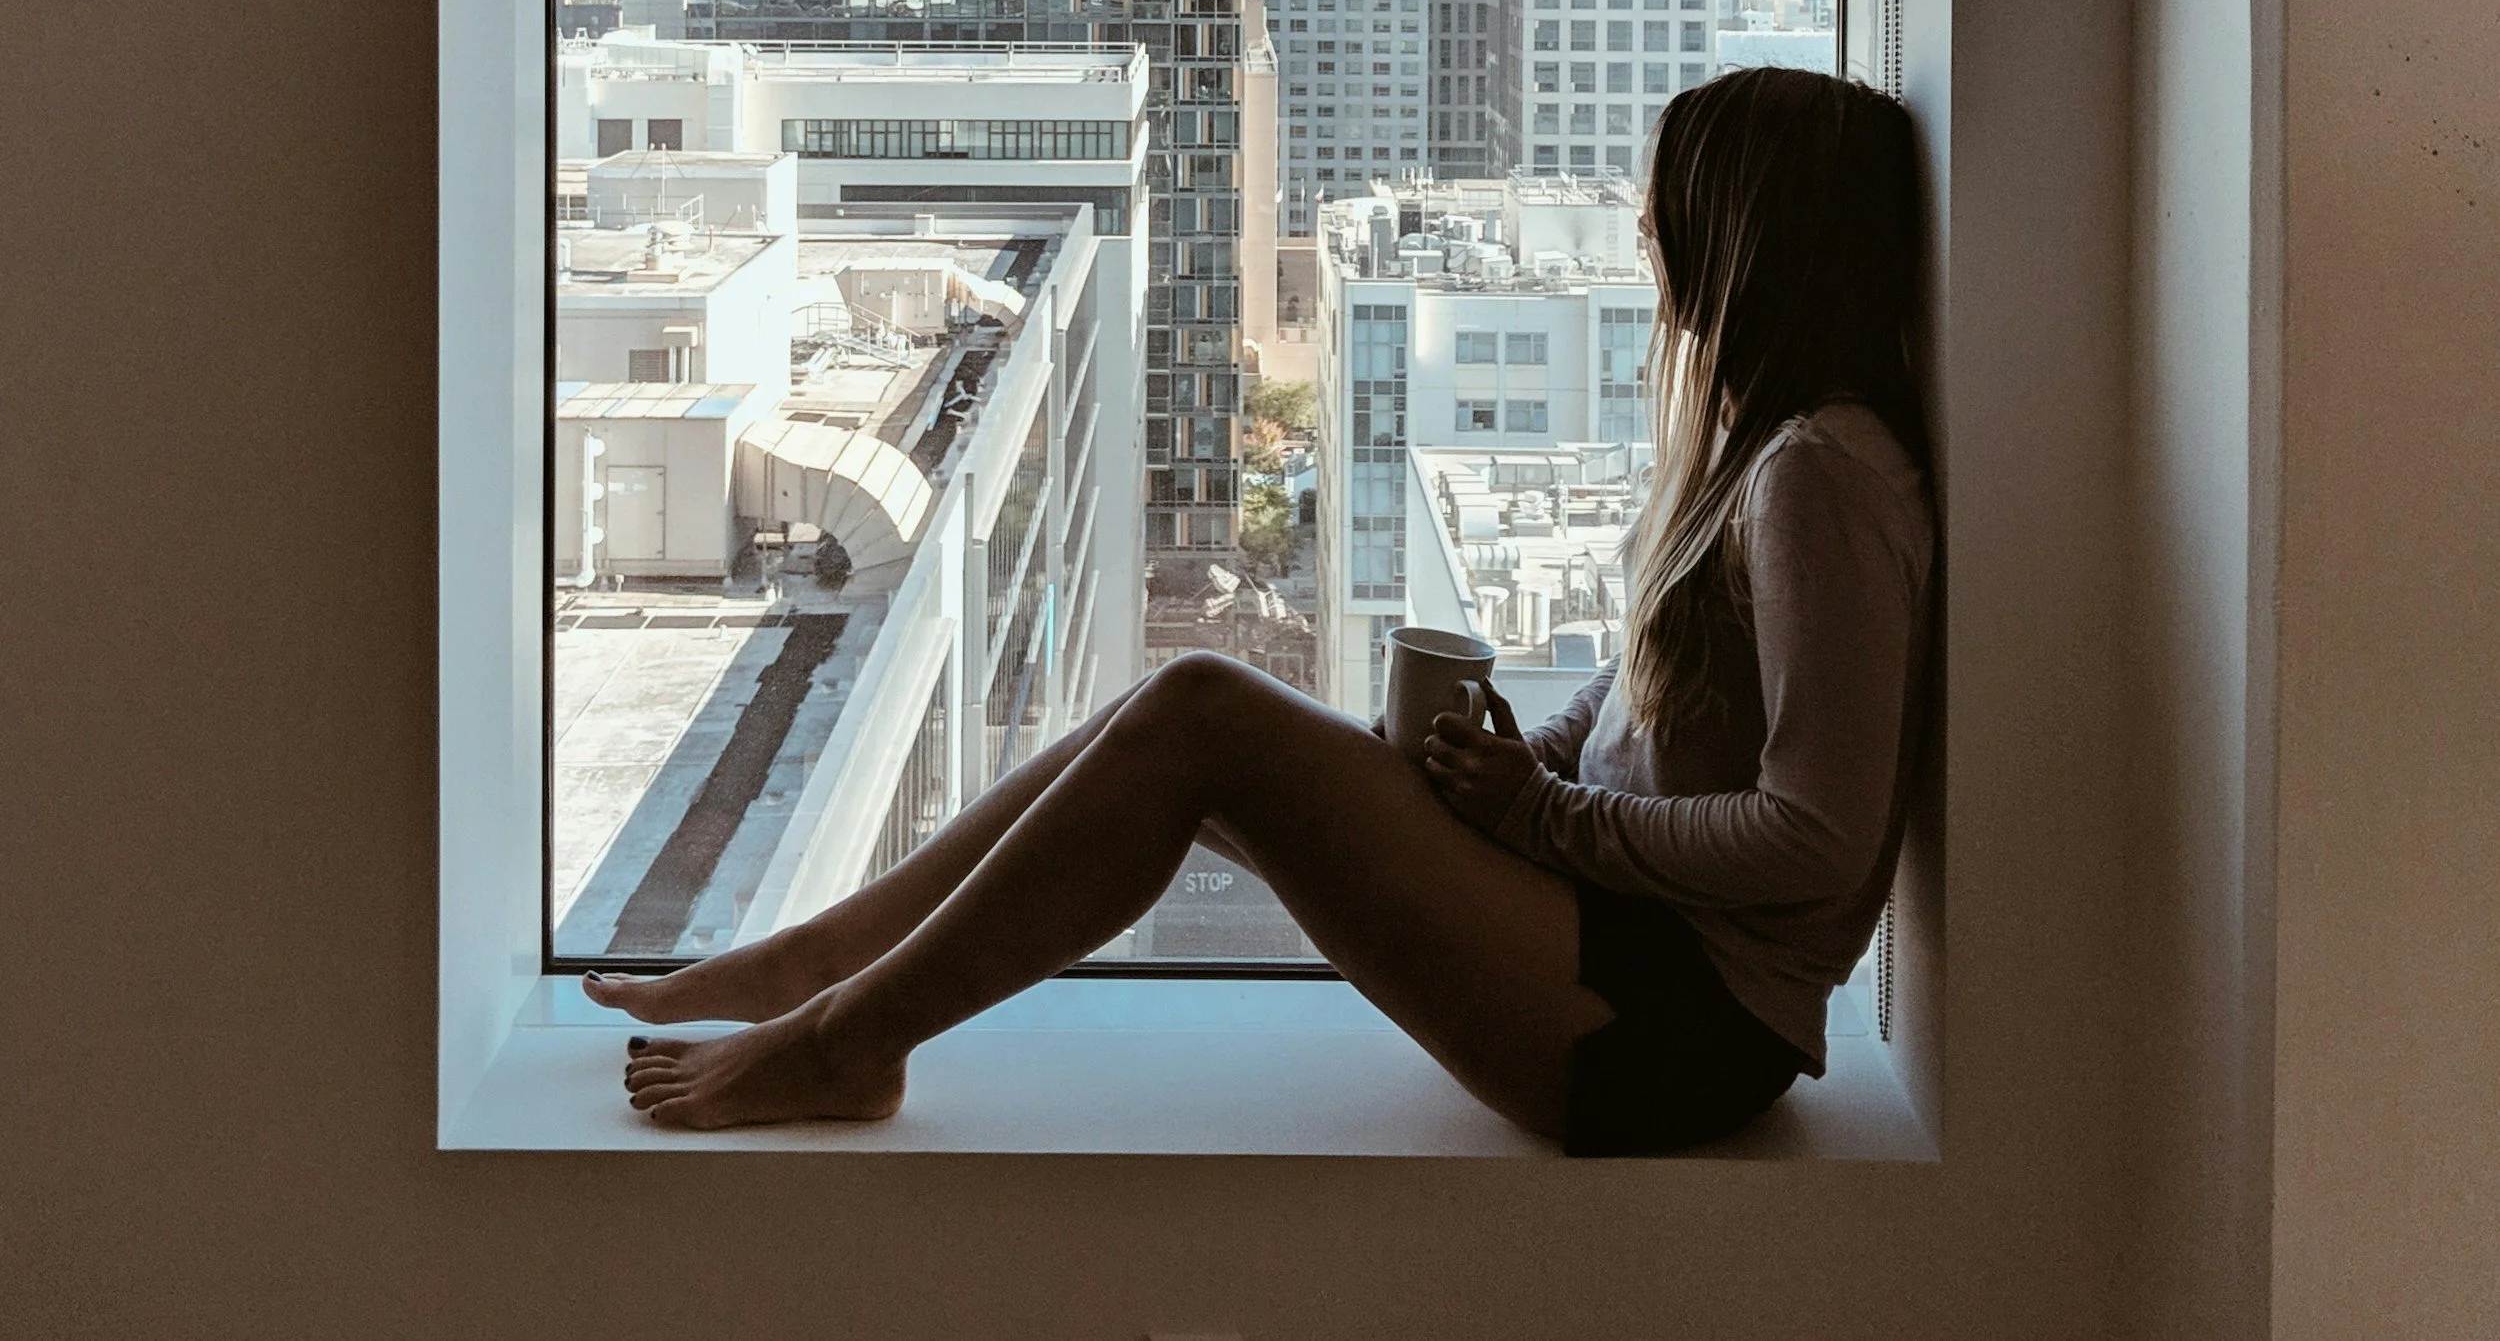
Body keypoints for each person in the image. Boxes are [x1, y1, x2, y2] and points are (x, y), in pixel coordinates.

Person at [591, 66, 1936, 1151]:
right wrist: (1524, 759)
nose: (1645, 234)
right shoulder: (1767, 449)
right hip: (1617, 940)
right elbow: (1653, 685)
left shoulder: (1822, 471)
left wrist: (1543, 815)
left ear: (1750, 233)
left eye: (1670, 210)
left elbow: (1816, 834)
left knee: (1198, 714)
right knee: (1164, 724)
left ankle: (842, 1038)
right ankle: (810, 968)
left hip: (1674, 1029)